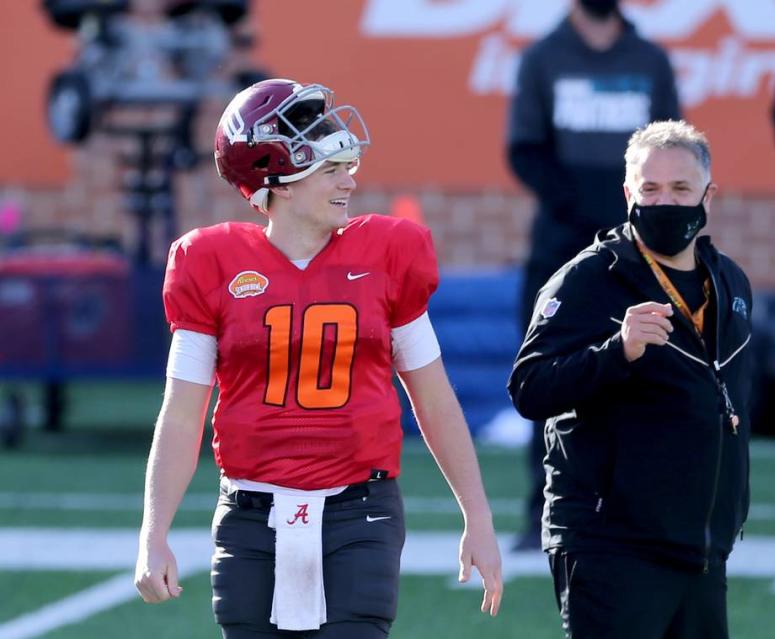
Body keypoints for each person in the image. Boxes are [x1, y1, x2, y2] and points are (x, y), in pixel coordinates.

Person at [134, 78, 503, 638]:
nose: (349, 182)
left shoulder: (388, 254)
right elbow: (182, 412)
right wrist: (152, 532)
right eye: (330, 170)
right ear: (276, 181)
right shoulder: (209, 262)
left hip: (362, 510)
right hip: (250, 514)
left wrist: (477, 515)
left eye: (347, 165)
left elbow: (432, 397)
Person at [508, 120, 752, 639]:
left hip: (702, 545)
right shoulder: (590, 278)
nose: (665, 202)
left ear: (709, 195)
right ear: (628, 194)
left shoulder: (728, 279)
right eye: (651, 189)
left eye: (681, 189)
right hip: (611, 546)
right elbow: (529, 387)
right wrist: (616, 352)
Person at [506, 0, 682, 551]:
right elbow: (524, 150)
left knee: (647, 375)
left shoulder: (650, 59)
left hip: (638, 249)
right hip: (560, 246)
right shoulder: (543, 57)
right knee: (553, 375)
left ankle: (644, 514)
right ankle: (545, 507)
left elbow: (670, 154)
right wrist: (582, 208)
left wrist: (634, 217)